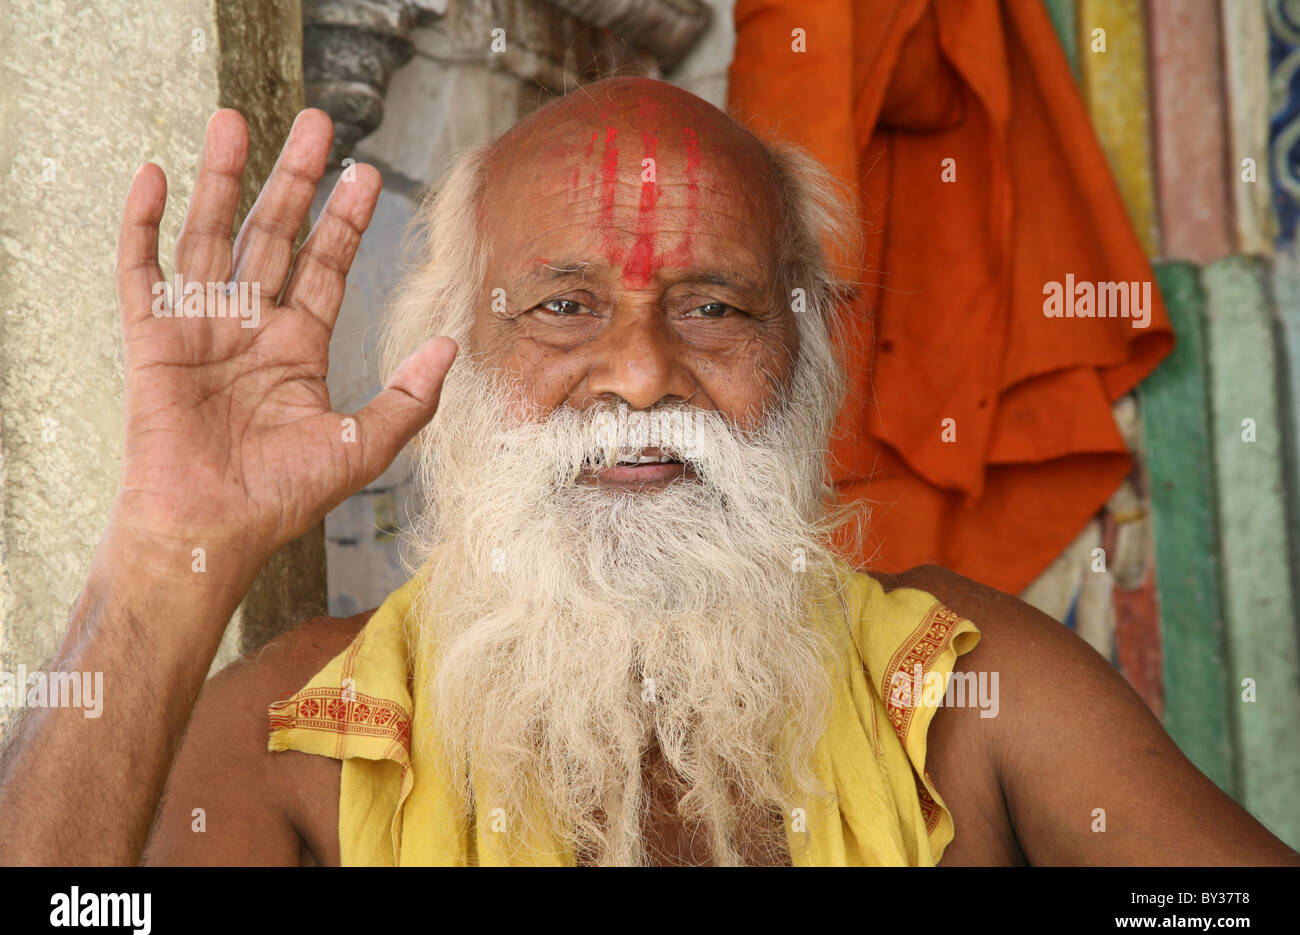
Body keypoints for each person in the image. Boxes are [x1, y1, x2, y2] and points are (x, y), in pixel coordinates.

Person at [0, 77, 1292, 866]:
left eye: (717, 309)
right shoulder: (304, 736)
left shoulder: (964, 693)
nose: (640, 375)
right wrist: (172, 552)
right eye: (563, 306)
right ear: (445, 358)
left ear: (810, 361)